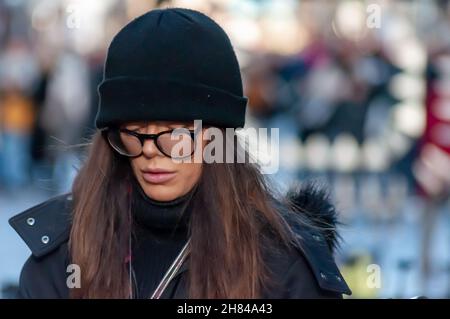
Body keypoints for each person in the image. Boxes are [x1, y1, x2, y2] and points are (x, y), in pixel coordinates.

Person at [9, 8, 351, 299]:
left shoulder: (284, 263)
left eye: (175, 134)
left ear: (217, 137)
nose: (150, 152)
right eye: (135, 132)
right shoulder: (62, 255)